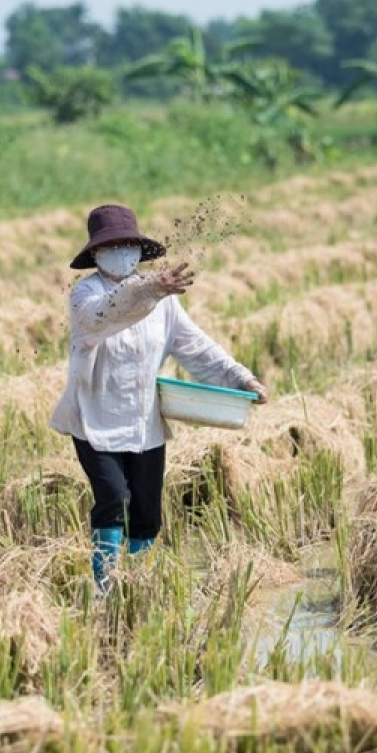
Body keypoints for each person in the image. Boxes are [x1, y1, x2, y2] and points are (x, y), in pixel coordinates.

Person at [50, 204, 267, 590]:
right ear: (96, 253)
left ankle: (140, 586)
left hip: (143, 420)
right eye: (112, 245)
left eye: (127, 244)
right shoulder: (86, 293)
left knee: (148, 513)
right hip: (93, 418)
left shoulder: (163, 297)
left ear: (138, 248)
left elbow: (194, 347)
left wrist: (241, 379)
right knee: (114, 500)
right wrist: (149, 288)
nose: (121, 252)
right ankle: (105, 589)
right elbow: (102, 315)